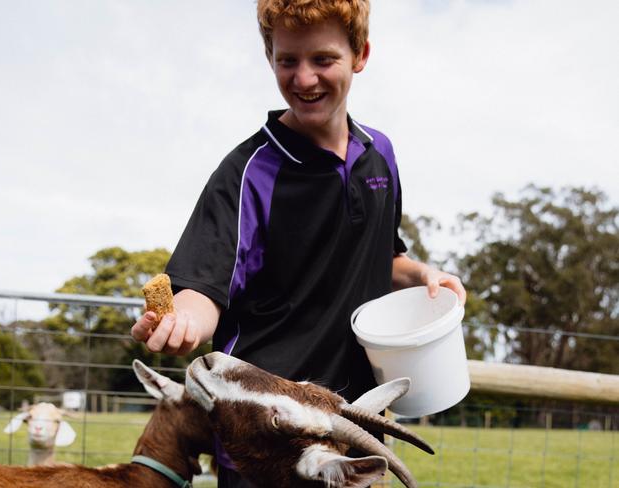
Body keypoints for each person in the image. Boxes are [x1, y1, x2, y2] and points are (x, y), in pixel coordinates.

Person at [131, 1, 466, 486]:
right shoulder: (248, 172)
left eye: (323, 59)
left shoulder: (380, 155)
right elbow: (203, 286)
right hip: (264, 435)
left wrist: (420, 275)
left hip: (352, 423)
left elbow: (383, 255)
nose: (304, 78)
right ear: (270, 58)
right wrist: (183, 320)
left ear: (360, 55)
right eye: (288, 61)